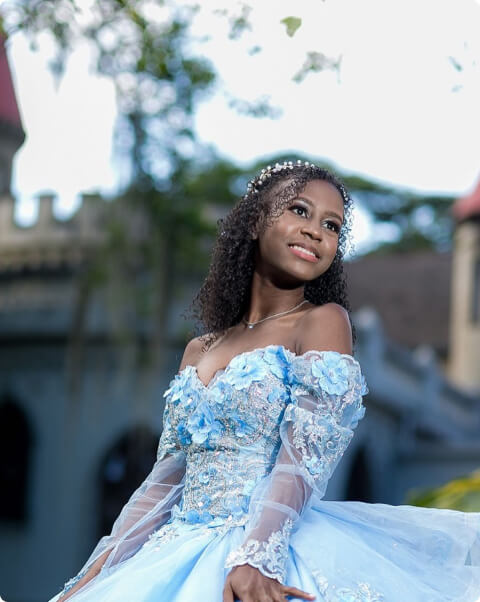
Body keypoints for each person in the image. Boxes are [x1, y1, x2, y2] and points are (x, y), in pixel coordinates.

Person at [52, 160, 480, 602]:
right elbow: (163, 484)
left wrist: (256, 556)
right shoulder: (199, 349)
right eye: (300, 210)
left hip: (267, 543)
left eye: (331, 225)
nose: (315, 231)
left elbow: (302, 458)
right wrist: (94, 575)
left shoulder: (322, 322)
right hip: (174, 552)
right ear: (256, 221)